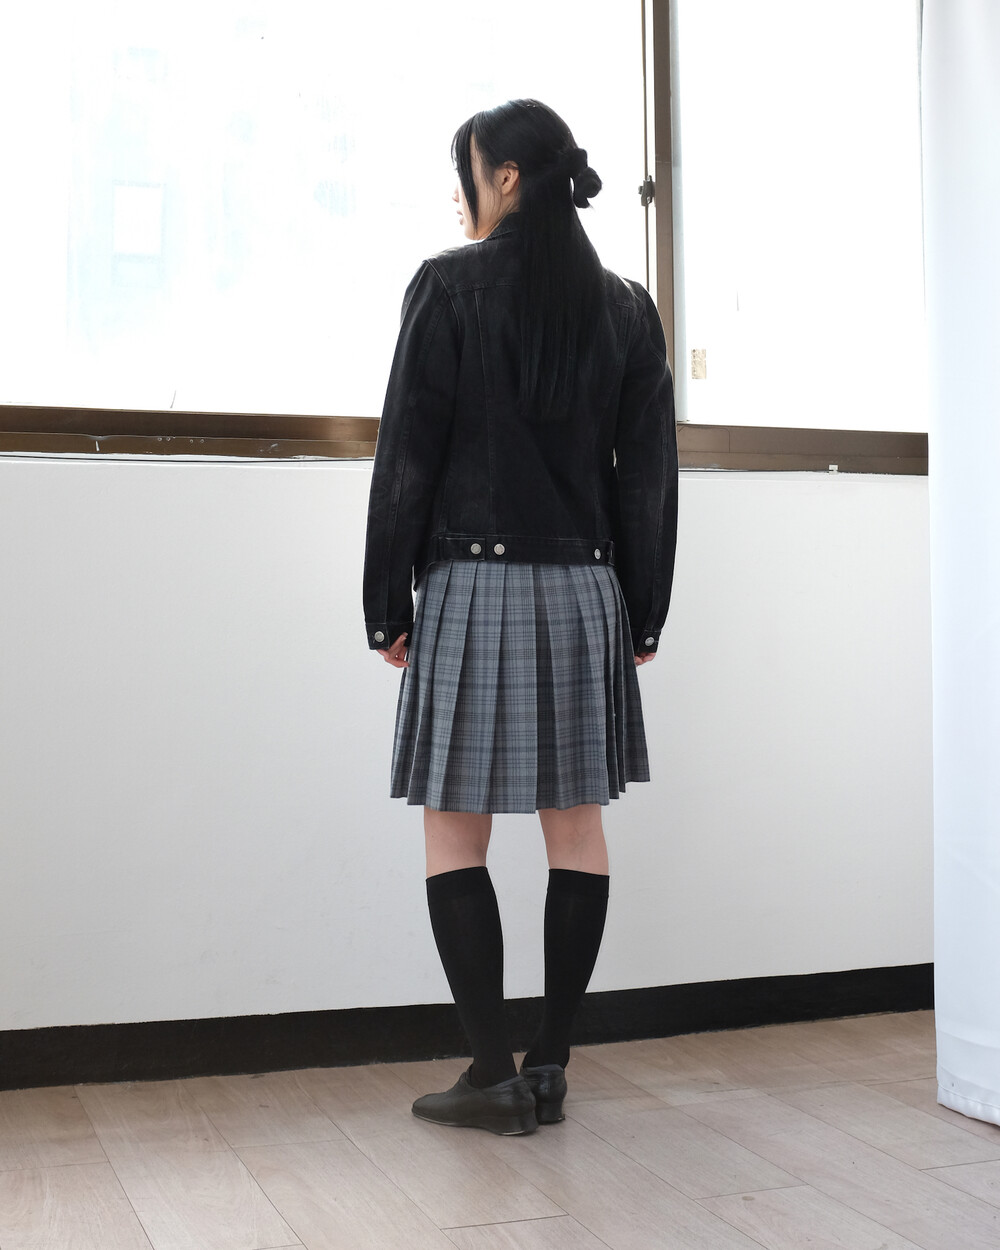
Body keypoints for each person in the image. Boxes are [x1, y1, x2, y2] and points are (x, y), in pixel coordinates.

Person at [363, 99, 678, 1136]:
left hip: (472, 584)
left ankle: (491, 1072)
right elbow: (648, 477)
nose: (460, 195)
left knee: (455, 829)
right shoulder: (626, 309)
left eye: (468, 173)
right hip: (587, 591)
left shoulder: (448, 287)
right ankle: (548, 1065)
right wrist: (644, 608)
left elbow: (407, 455)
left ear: (503, 178)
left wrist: (384, 602)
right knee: (575, 828)